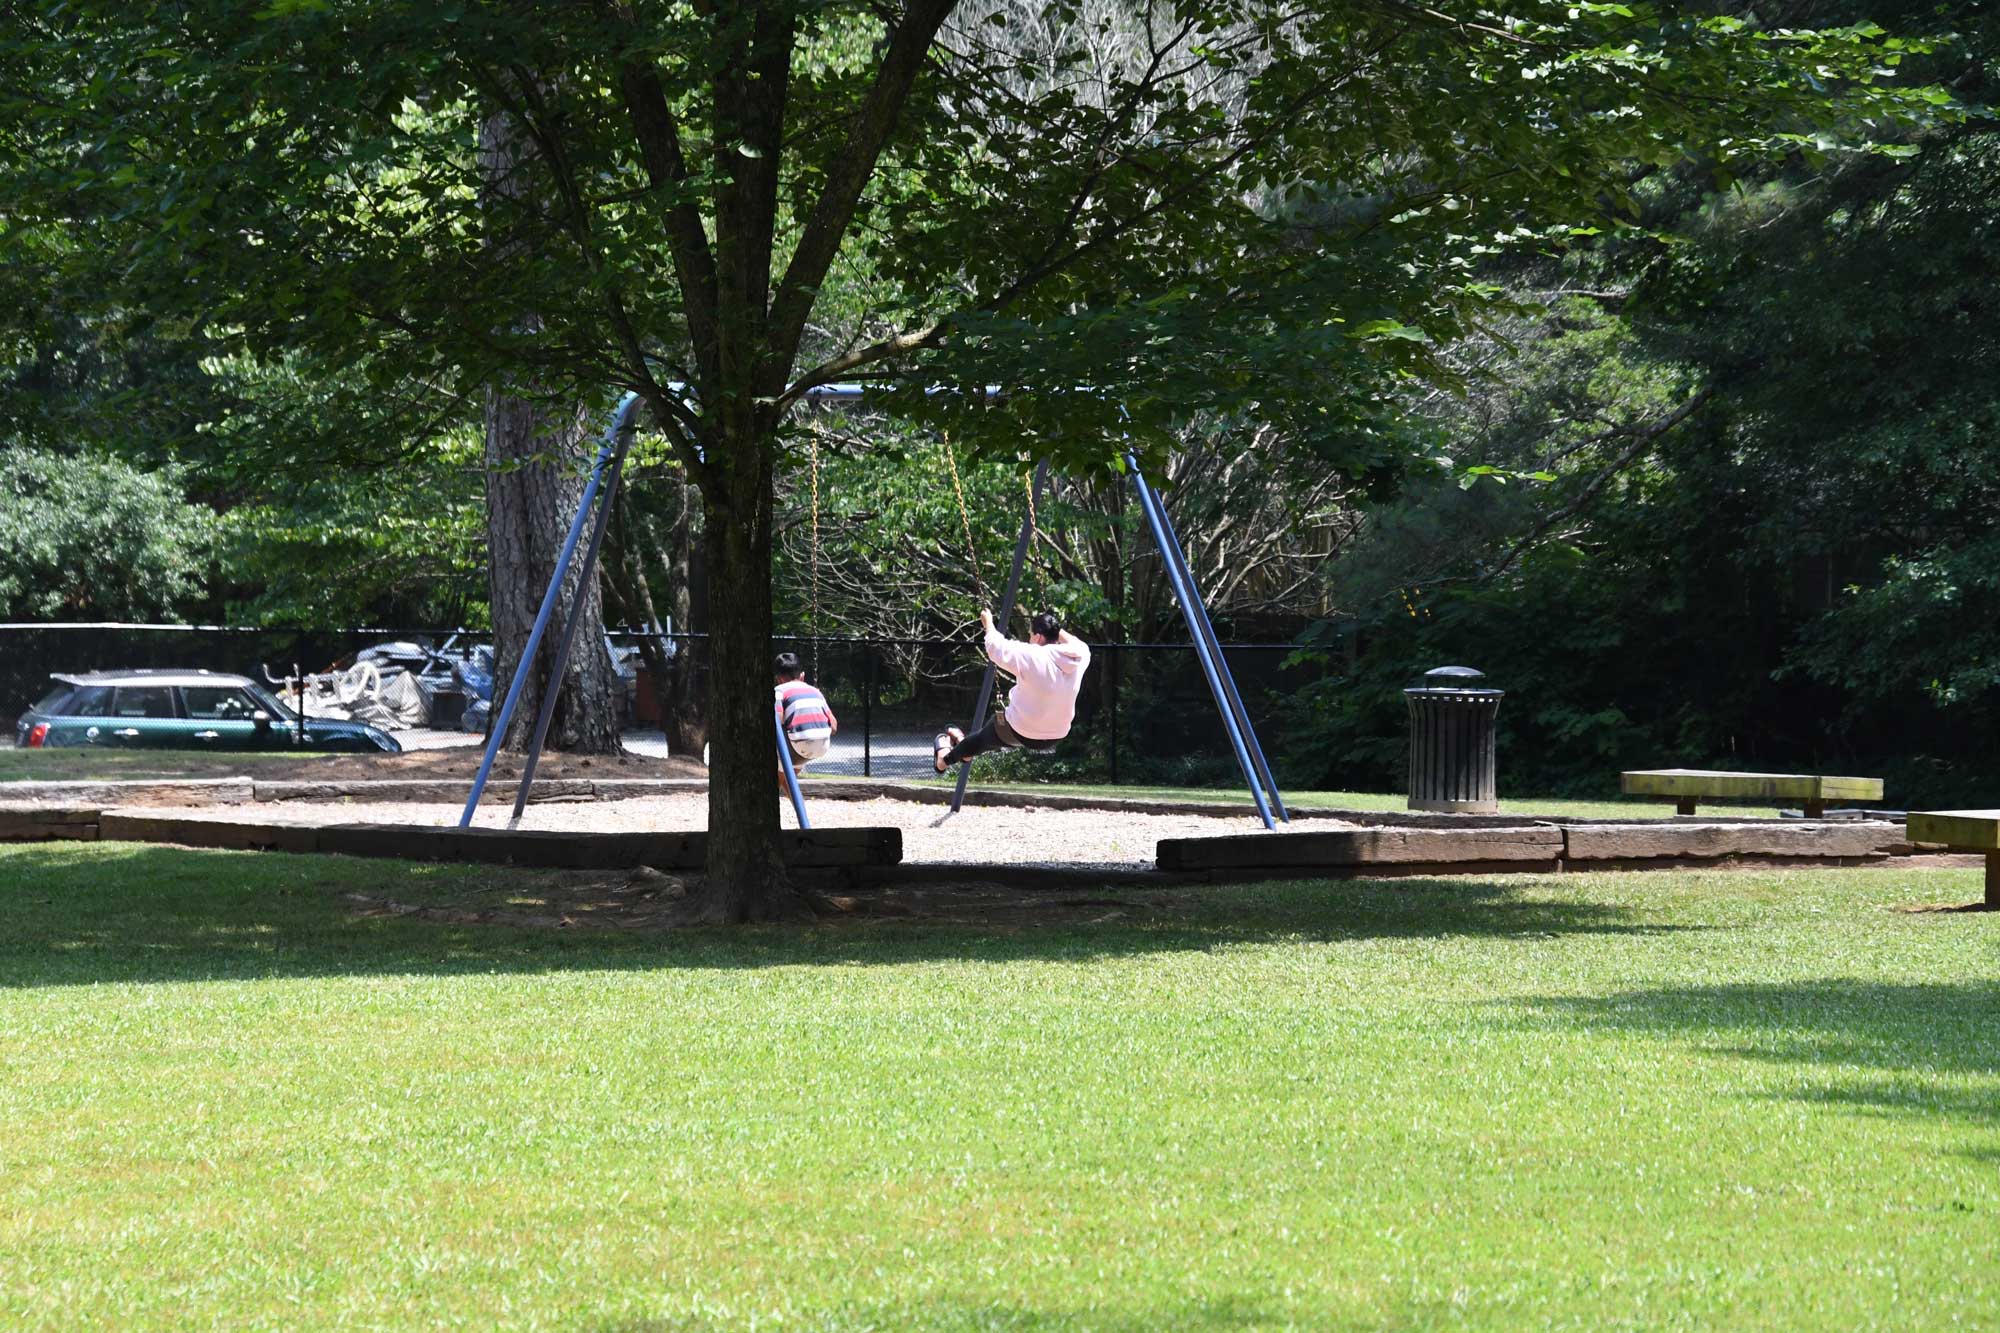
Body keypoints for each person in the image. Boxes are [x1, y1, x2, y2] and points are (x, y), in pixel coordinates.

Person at [934, 609, 1091, 771]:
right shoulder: (1080, 656)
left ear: (1037, 637)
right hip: (1058, 734)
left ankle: (943, 761)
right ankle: (965, 751)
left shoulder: (1031, 654)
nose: (1029, 639)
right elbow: (1075, 642)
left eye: (1031, 635)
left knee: (983, 738)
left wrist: (987, 621)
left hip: (1022, 730)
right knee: (985, 738)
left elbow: (995, 647)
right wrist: (1053, 625)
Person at [774, 653, 837, 785]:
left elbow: (777, 722)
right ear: (802, 676)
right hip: (822, 746)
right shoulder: (815, 692)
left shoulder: (779, 691)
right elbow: (834, 726)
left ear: (778, 679)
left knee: (781, 779)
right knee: (787, 781)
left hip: (798, 746)